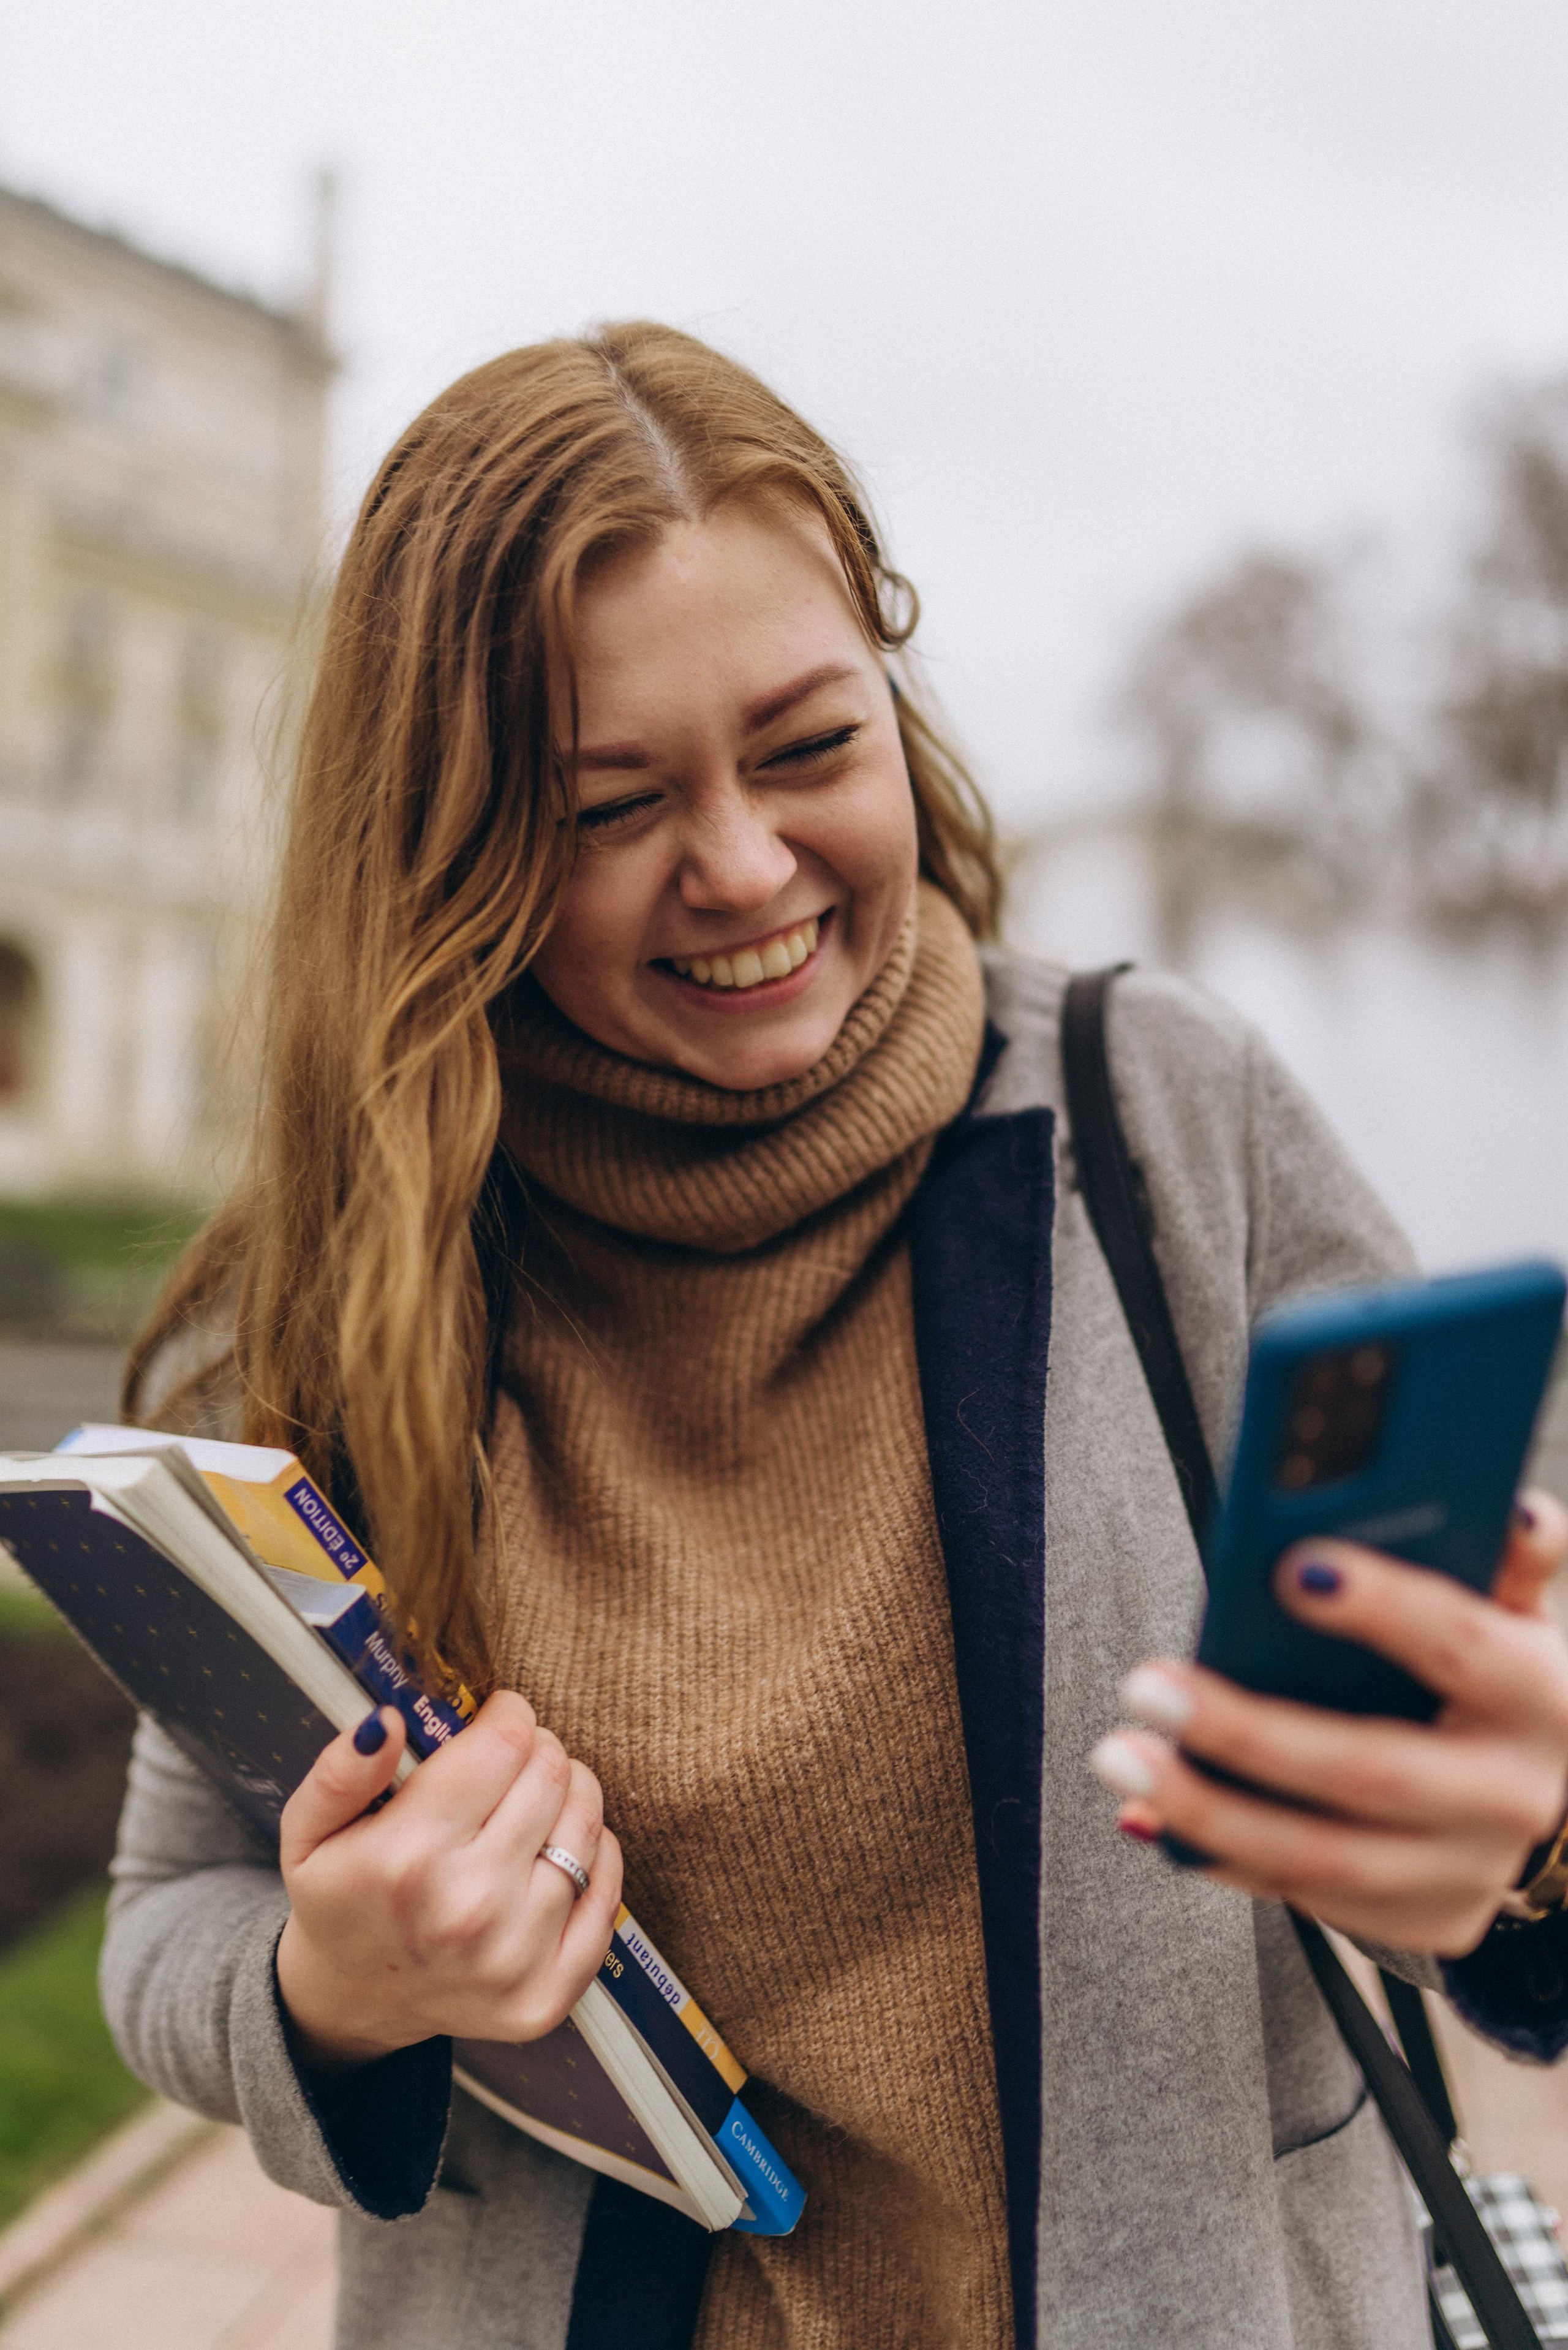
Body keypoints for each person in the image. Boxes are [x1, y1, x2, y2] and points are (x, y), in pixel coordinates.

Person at [104, 323, 1568, 2350]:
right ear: (455, 847)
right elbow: (170, 1922)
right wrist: (337, 1988)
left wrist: (1535, 1831)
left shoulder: (1168, 1123)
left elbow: (1518, 1713)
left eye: (809, 745)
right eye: (613, 802)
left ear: (898, 703)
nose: (743, 866)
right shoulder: (371, 1271)